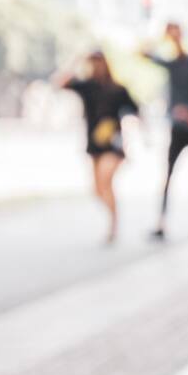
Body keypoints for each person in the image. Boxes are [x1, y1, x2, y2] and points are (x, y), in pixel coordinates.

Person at [51, 51, 139, 243]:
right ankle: (113, 215)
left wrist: (134, 136)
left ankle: (113, 224)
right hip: (93, 144)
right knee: (97, 188)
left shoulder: (117, 89)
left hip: (113, 145)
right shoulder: (87, 86)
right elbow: (59, 83)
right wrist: (74, 60)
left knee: (105, 182)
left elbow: (136, 111)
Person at [141, 22, 188, 239]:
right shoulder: (172, 64)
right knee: (168, 175)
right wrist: (161, 37)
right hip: (178, 128)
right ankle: (161, 221)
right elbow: (143, 52)